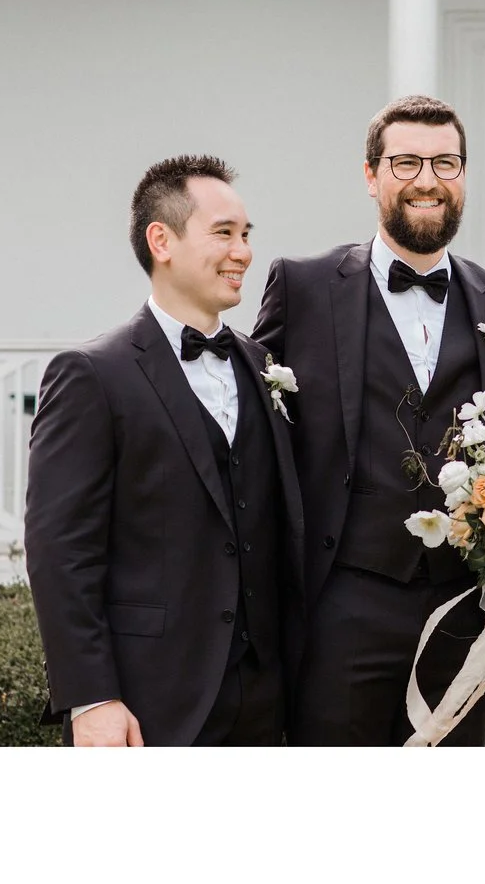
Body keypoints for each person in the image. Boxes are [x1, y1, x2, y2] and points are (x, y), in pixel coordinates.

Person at [252, 95, 485, 747]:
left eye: (445, 163)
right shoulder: (303, 284)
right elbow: (255, 423)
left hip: (464, 603)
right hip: (341, 599)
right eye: (406, 163)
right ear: (371, 175)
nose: (427, 179)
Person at [24, 155, 304, 746]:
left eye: (247, 235)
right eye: (224, 233)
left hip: (269, 701)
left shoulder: (263, 366)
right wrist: (91, 696)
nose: (244, 252)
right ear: (162, 240)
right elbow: (60, 550)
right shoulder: (92, 375)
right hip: (153, 700)